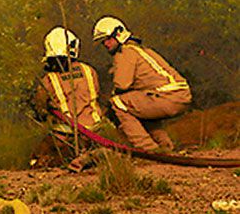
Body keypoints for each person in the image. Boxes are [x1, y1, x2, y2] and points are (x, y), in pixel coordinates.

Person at [92, 16, 191, 151]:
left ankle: (147, 148)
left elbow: (122, 85)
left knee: (118, 103)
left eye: (108, 39)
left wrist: (108, 106)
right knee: (137, 105)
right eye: (103, 42)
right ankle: (165, 146)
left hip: (168, 96)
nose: (106, 44)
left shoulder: (125, 52)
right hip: (179, 95)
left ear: (118, 34)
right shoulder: (142, 50)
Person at [31, 26, 103, 171]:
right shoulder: (89, 70)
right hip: (95, 131)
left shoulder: (49, 80)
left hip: (65, 134)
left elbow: (40, 108)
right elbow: (96, 94)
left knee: (38, 158)